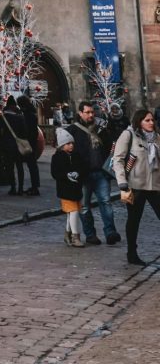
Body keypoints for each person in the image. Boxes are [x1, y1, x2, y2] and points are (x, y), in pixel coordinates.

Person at [69, 100, 120, 245]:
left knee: (105, 202)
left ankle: (110, 232)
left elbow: (111, 147)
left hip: (101, 173)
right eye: (87, 112)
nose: (91, 115)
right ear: (80, 113)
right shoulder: (73, 130)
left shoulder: (101, 129)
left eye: (92, 112)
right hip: (83, 175)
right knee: (84, 207)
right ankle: (90, 235)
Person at [113, 108, 160, 266]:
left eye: (152, 120)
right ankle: (132, 253)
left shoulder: (157, 138)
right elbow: (118, 158)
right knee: (134, 220)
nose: (151, 123)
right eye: (147, 120)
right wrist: (122, 182)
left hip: (155, 186)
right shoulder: (129, 135)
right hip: (135, 185)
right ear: (139, 121)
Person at [51, 128, 85, 248]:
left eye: (72, 143)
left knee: (72, 214)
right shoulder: (57, 157)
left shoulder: (76, 155)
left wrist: (78, 173)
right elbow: (55, 173)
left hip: (76, 189)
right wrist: (66, 175)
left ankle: (68, 234)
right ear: (62, 145)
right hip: (65, 190)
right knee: (74, 212)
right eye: (68, 144)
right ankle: (75, 237)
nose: (71, 146)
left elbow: (82, 168)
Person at [0, 96, 27, 195]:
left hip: (7, 145)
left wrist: (1, 141)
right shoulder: (20, 116)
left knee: (9, 167)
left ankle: (13, 187)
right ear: (15, 105)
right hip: (19, 145)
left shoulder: (4, 117)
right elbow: (24, 131)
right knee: (19, 166)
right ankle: (21, 188)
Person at [16, 95, 41, 196]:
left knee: (31, 165)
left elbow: (28, 130)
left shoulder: (27, 115)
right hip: (32, 143)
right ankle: (35, 187)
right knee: (32, 165)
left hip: (28, 143)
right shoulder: (31, 113)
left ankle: (35, 188)